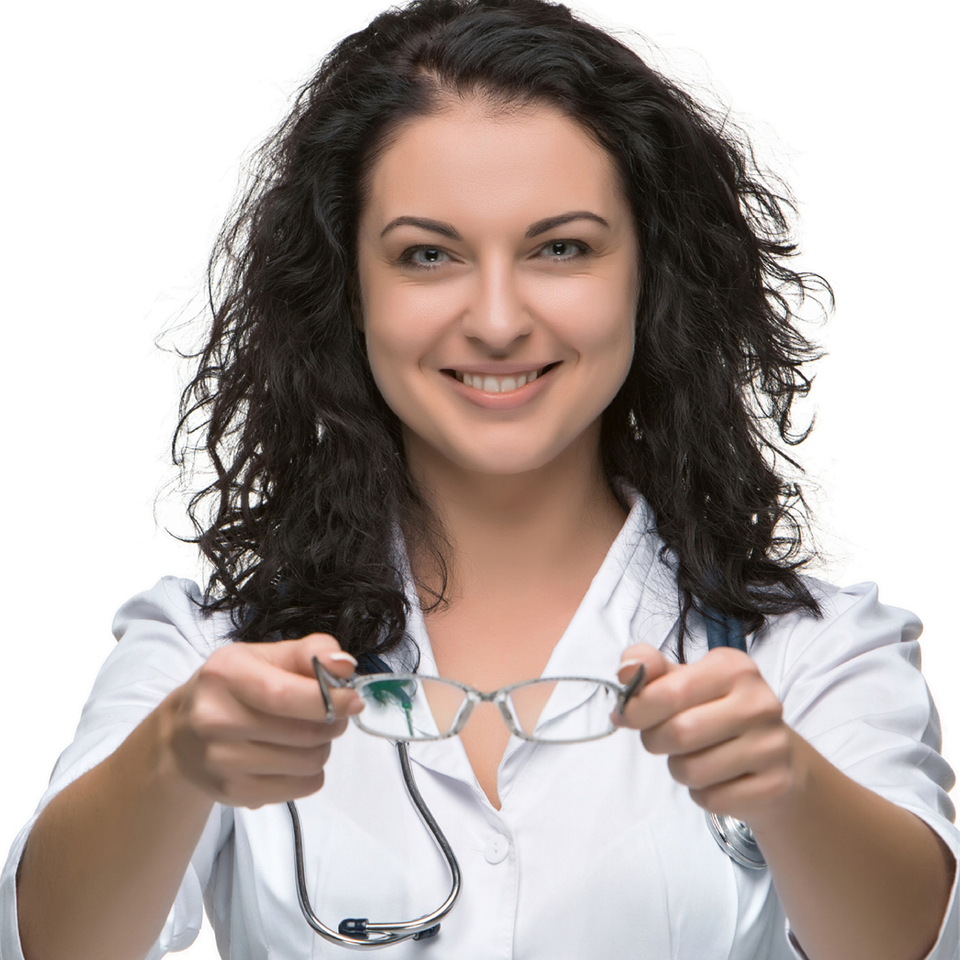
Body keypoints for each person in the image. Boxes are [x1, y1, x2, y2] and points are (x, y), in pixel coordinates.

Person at [3, 0, 957, 957]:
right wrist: (172, 761)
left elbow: (913, 938)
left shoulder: (811, 653)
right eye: (428, 255)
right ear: (348, 289)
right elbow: (48, 941)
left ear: (650, 275)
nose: (497, 320)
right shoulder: (204, 653)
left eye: (561, 248)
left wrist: (787, 783)